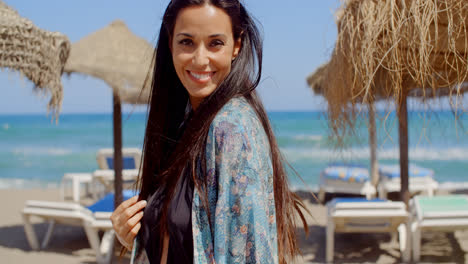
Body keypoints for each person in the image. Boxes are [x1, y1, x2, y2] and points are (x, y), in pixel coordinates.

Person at [110, 0, 309, 263]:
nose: (200, 59)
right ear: (170, 43)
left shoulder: (231, 129)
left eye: (215, 43)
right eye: (186, 42)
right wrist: (137, 234)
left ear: (236, 45)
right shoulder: (187, 125)